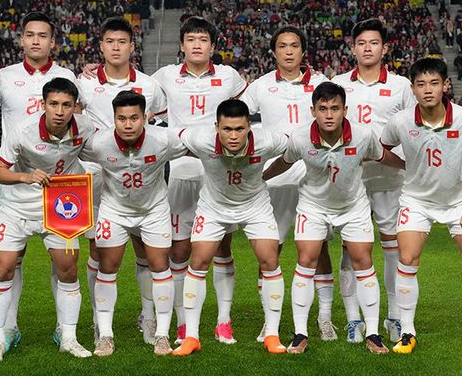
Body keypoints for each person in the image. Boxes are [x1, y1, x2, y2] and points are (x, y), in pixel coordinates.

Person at [264, 82, 404, 354]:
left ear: (345, 110)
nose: (329, 114)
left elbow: (383, 155)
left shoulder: (363, 135)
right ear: (313, 110)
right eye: (323, 108)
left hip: (353, 207)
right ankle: (300, 332)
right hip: (313, 206)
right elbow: (285, 161)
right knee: (306, 260)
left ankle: (373, 333)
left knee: (363, 261)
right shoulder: (301, 137)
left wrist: (409, 167)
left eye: (335, 108)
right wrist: (261, 178)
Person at [380, 57, 462, 354]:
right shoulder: (401, 121)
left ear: (445, 85)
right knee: (407, 258)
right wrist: (405, 167)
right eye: (421, 84)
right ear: (413, 89)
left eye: (434, 83)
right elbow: (382, 149)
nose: (428, 90)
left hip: (457, 201)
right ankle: (407, 333)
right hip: (416, 200)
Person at [0, 11, 78, 349]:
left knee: (63, 262)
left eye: (43, 36)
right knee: (10, 261)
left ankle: (66, 330)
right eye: (30, 35)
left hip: (60, 189)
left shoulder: (67, 76)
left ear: (53, 42)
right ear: (21, 40)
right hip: (18, 183)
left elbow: (83, 121)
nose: (36, 41)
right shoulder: (2, 77)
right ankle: (8, 328)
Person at [151, 16, 248, 345]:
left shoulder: (228, 77)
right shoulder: (164, 77)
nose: (196, 44)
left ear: (213, 45)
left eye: (203, 39)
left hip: (218, 173)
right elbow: (133, 94)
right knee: (179, 250)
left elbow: (248, 110)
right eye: (190, 39)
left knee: (221, 246)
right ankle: (182, 321)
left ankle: (224, 320)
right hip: (180, 171)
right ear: (181, 45)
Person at [0, 77, 95, 362]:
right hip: (17, 207)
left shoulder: (85, 128)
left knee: (68, 269)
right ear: (43, 104)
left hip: (61, 206)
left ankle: (67, 336)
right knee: (4, 268)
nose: (60, 111)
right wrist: (25, 176)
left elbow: (100, 151)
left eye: (67, 105)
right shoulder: (23, 131)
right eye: (54, 104)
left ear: (75, 107)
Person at [240, 26, 337, 342]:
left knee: (318, 247)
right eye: (282, 46)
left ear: (303, 50)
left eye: (295, 45)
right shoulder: (260, 86)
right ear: (274, 52)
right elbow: (236, 114)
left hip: (315, 179)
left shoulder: (322, 83)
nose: (289, 51)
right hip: (276, 180)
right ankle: (270, 322)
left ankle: (324, 319)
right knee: (270, 250)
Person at [172, 99, 289, 356]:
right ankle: (191, 336)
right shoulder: (200, 138)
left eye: (239, 129)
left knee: (270, 260)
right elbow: (170, 137)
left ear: (250, 126)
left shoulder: (268, 140)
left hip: (255, 204)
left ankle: (272, 334)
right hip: (213, 207)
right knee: (199, 261)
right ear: (216, 127)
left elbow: (297, 144)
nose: (233, 135)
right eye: (226, 129)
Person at [76, 17, 166, 345]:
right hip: (94, 174)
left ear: (132, 46)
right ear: (101, 46)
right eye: (109, 41)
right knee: (97, 249)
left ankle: (148, 315)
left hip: (137, 175)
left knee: (145, 247)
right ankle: (99, 319)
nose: (116, 47)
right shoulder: (83, 82)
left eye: (122, 42)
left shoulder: (149, 86)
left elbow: (158, 125)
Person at [79, 91, 188, 356]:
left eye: (134, 118)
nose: (128, 124)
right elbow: (67, 149)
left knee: (160, 266)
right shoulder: (99, 143)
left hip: (154, 210)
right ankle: (105, 334)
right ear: (114, 119)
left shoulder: (163, 140)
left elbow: (199, 144)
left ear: (145, 117)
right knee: (108, 267)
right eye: (122, 118)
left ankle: (161, 332)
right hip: (114, 210)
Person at [332, 18, 415, 344]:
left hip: (389, 178)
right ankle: (354, 319)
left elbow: (411, 128)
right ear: (353, 48)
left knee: (393, 249)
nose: (367, 48)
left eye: (374, 43)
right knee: (351, 250)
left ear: (384, 48)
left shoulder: (400, 85)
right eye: (362, 43)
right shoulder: (338, 83)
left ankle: (394, 314)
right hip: (348, 181)